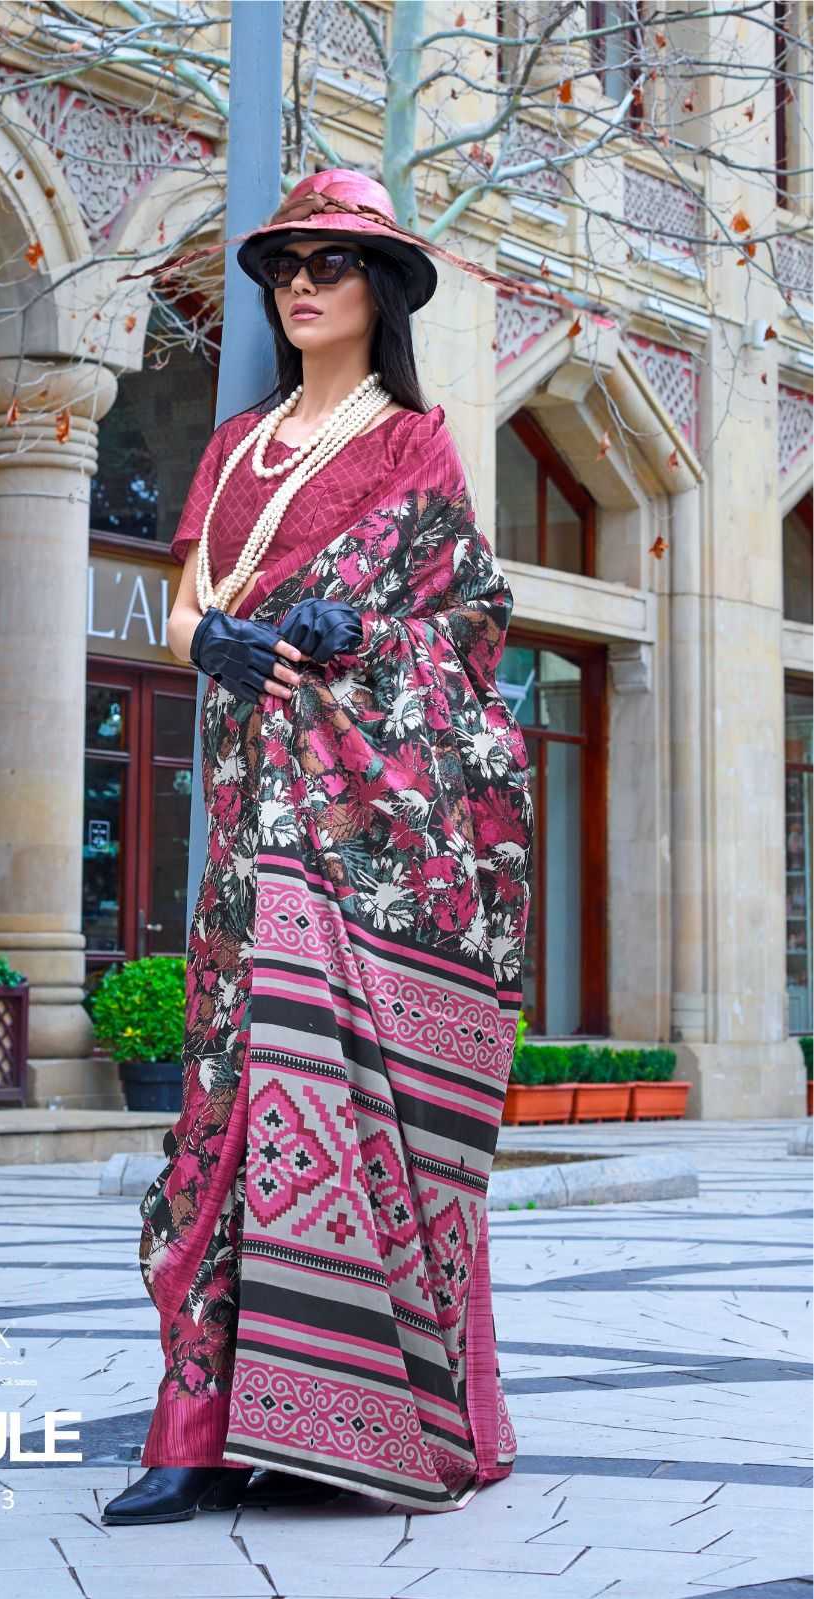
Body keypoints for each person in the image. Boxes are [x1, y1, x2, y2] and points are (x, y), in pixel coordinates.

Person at [101, 167, 534, 1526]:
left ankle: (346, 1419)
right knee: (233, 1081)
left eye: (329, 264)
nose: (300, 284)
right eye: (285, 264)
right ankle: (198, 1426)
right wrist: (213, 646)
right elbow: (182, 609)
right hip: (251, 807)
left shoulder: (415, 445)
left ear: (379, 292)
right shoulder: (235, 446)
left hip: (360, 824)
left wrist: (369, 635)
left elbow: (468, 619)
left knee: (322, 1068)